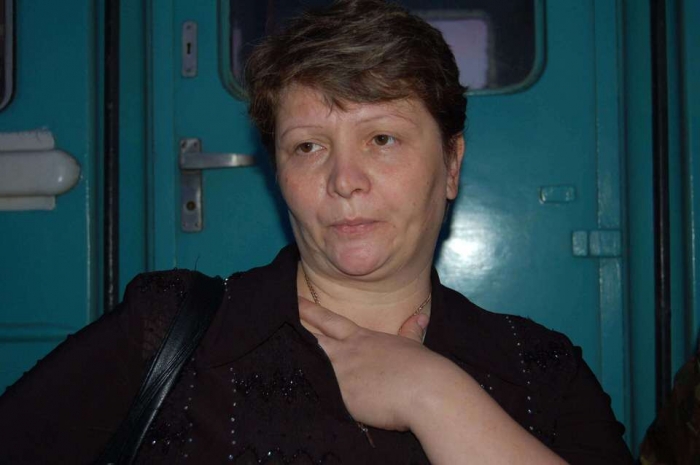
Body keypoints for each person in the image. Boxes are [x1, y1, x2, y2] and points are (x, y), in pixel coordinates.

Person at [0, 0, 633, 463]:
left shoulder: (540, 370)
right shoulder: (169, 329)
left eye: (382, 139)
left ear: (452, 165)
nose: (344, 180)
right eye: (308, 146)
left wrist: (434, 395)